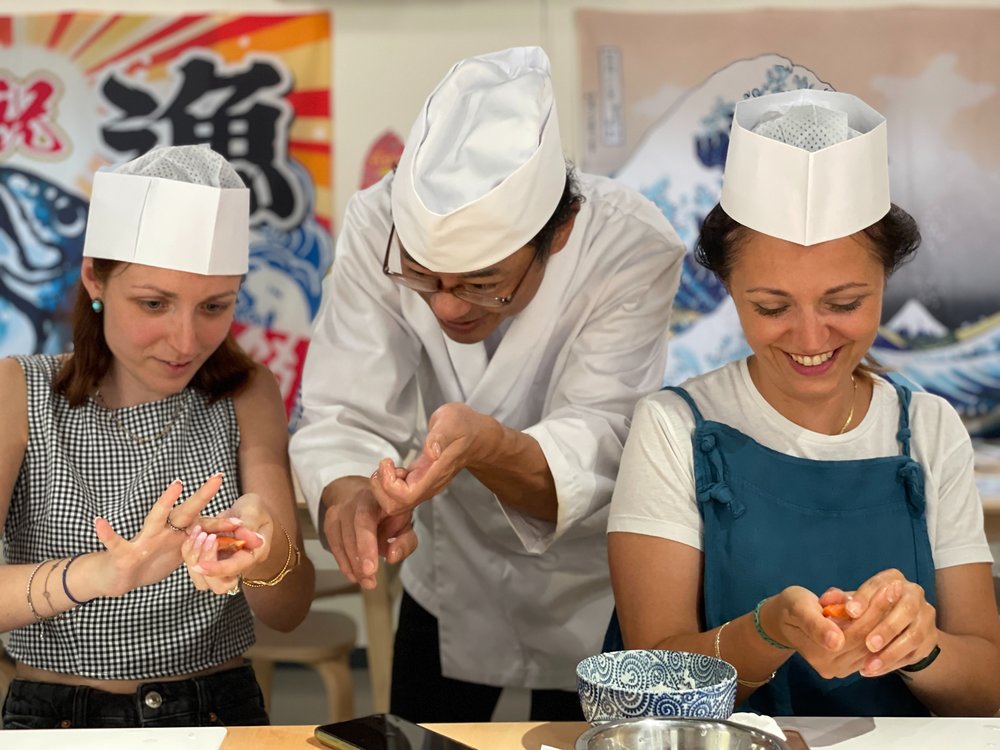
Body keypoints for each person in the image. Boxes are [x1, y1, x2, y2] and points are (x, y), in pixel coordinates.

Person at [290, 46, 684, 722]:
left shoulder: (627, 246)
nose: (446, 309)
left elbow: (599, 434)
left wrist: (486, 446)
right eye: (424, 279)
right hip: (449, 573)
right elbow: (345, 408)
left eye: (482, 286)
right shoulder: (376, 223)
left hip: (591, 581)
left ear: (554, 236)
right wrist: (351, 496)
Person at [607, 89, 1000, 717]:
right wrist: (765, 632)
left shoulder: (927, 428)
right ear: (728, 289)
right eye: (771, 307)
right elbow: (648, 691)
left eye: (845, 304)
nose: (812, 340)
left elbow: (989, 694)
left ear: (886, 281)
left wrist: (920, 647)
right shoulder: (675, 428)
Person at [0, 145, 315, 729]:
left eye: (214, 306)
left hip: (217, 708)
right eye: (154, 303)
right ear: (95, 276)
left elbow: (289, 611)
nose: (186, 341)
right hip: (56, 718)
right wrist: (103, 573)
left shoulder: (247, 394)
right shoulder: (19, 391)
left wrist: (264, 555)